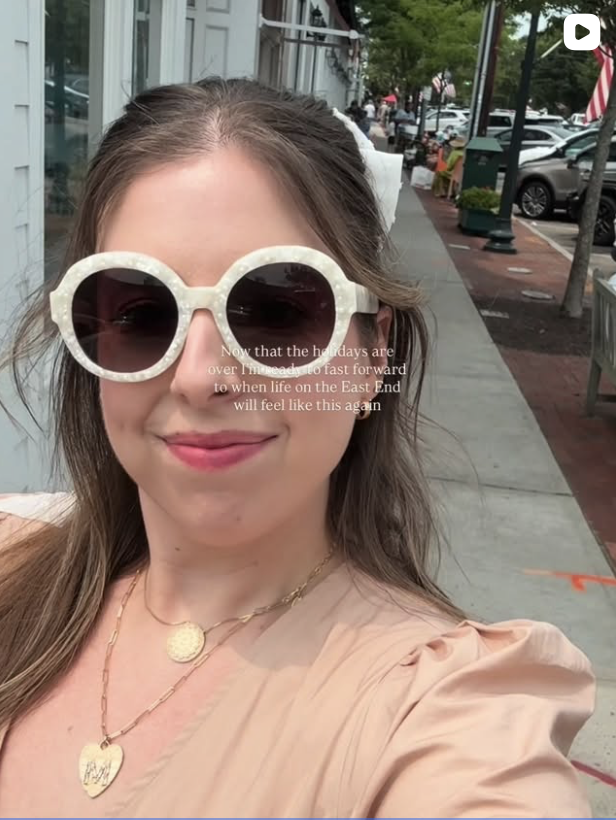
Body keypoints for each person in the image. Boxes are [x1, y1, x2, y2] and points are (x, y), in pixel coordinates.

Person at [0, 77, 594, 818]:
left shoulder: (449, 710)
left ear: (373, 356)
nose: (201, 378)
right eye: (144, 312)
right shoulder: (15, 571)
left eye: (278, 311)